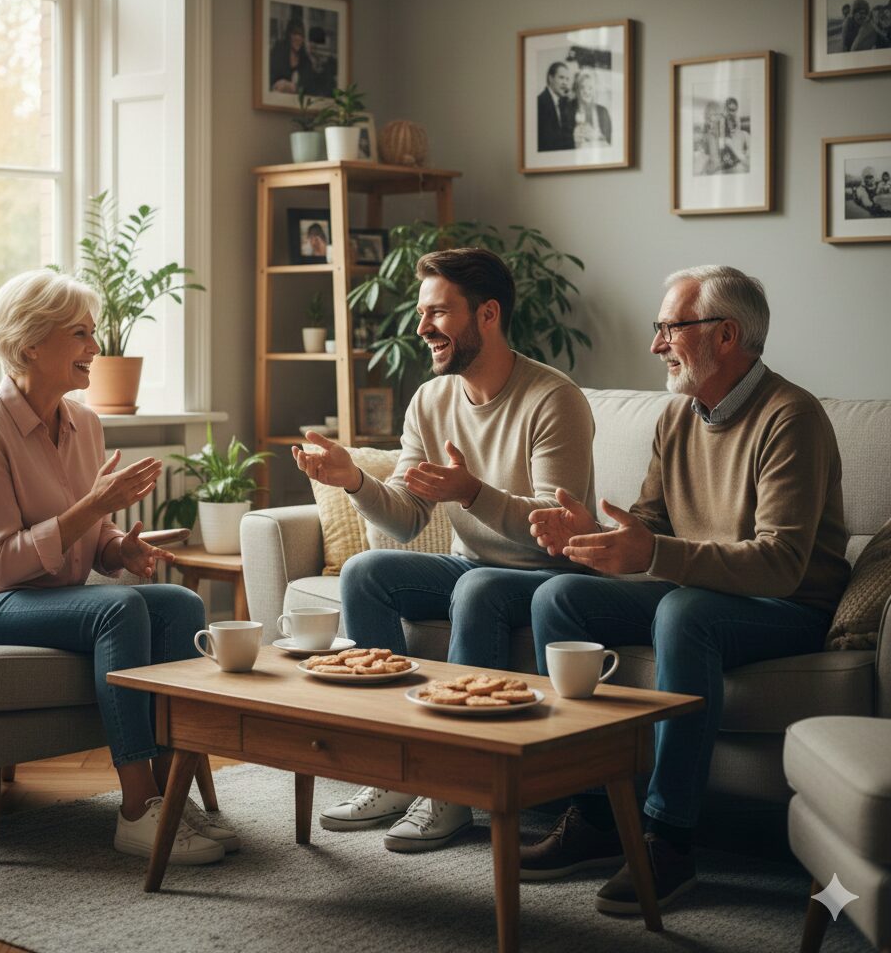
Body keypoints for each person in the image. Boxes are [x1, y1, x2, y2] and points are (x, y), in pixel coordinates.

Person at [522, 266, 850, 914]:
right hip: (699, 592)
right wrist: (593, 536)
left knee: (683, 612)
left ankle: (669, 840)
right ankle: (593, 815)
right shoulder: (679, 418)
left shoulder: (792, 417)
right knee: (557, 597)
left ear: (727, 335)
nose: (656, 343)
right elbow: (652, 525)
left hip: (787, 606)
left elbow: (782, 563)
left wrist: (654, 553)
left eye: (670, 327)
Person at [290, 247, 596, 852]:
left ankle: (454, 789)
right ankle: (392, 768)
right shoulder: (431, 401)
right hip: (472, 565)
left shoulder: (553, 399)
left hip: (547, 574)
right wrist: (353, 480)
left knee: (477, 586)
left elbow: (558, 527)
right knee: (366, 570)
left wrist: (475, 493)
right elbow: (404, 521)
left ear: (487, 314)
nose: (422, 328)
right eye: (422, 312)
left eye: (438, 313)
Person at [0, 270, 239, 865]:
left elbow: (91, 537)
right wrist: (96, 505)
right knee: (118, 608)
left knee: (182, 604)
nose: (95, 349)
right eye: (80, 335)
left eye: (92, 333)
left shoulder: (87, 423)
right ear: (29, 344)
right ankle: (135, 811)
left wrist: (119, 550)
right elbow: (1, 562)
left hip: (47, 597)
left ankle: (169, 797)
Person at [537, 61, 575, 151]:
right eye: (561, 78)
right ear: (551, 78)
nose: (565, 83)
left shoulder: (564, 103)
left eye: (567, 79)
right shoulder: (539, 103)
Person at [269, 17, 312, 94]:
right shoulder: (278, 52)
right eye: (295, 34)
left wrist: (293, 87)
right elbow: (268, 79)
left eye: (301, 35)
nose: (298, 38)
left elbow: (307, 88)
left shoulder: (306, 61)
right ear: (288, 35)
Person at [572, 70, 611, 148]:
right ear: (577, 90)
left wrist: (596, 136)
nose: (586, 91)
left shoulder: (603, 111)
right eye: (582, 87)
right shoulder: (569, 111)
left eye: (590, 88)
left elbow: (609, 143)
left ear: (595, 90)